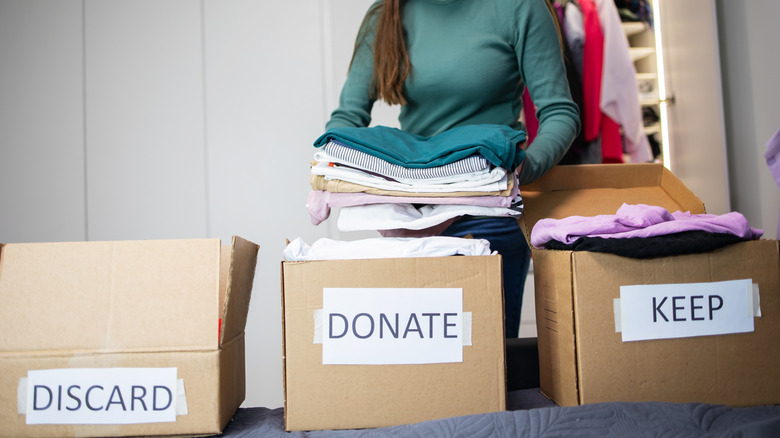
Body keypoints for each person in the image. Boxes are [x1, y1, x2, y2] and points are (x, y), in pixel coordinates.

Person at [325, 0, 580, 338]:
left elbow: (560, 112)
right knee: (420, 361)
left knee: (484, 358)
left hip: (487, 211)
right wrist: (330, 164)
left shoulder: (520, 8)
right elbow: (347, 118)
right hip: (411, 214)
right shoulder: (387, 14)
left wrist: (525, 168)